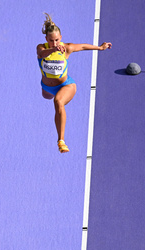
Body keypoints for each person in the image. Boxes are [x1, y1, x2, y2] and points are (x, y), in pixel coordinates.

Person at [37, 13, 111, 153]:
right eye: (51, 40)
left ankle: (61, 141)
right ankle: (52, 96)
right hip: (46, 87)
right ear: (46, 39)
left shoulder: (67, 48)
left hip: (66, 85)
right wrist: (53, 49)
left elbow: (82, 47)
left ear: (61, 38)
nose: (55, 43)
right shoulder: (41, 48)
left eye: (57, 40)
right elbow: (42, 54)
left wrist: (100, 48)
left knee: (58, 102)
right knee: (46, 96)